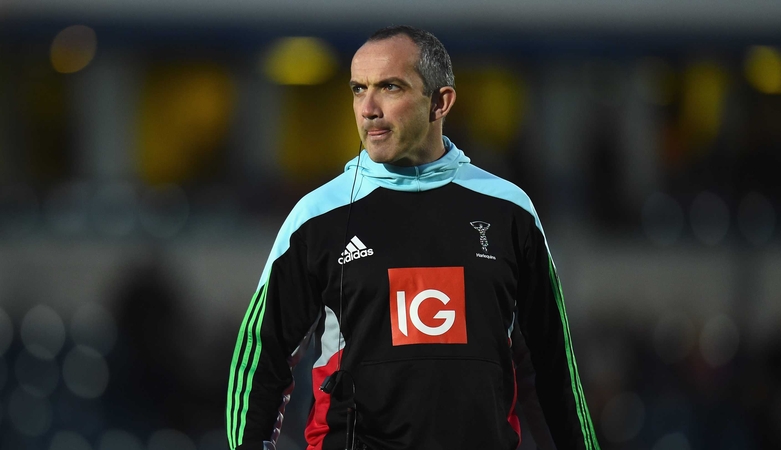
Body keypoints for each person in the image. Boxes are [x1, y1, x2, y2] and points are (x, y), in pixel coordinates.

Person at [226, 25, 600, 450]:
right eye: (357, 89)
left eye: (389, 87)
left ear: (440, 102)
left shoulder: (509, 210)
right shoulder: (316, 217)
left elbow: (552, 370)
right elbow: (261, 360)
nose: (368, 108)